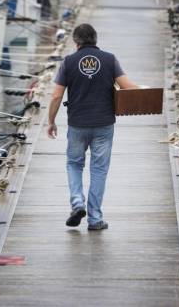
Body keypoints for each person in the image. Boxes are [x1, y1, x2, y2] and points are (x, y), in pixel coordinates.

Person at [47, 24, 137, 231]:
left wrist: (51, 121)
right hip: (104, 124)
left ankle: (77, 202)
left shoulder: (68, 62)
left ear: (75, 41)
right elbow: (127, 87)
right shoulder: (109, 59)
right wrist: (149, 92)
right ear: (96, 39)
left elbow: (56, 95)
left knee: (74, 164)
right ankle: (95, 219)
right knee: (98, 170)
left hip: (77, 124)